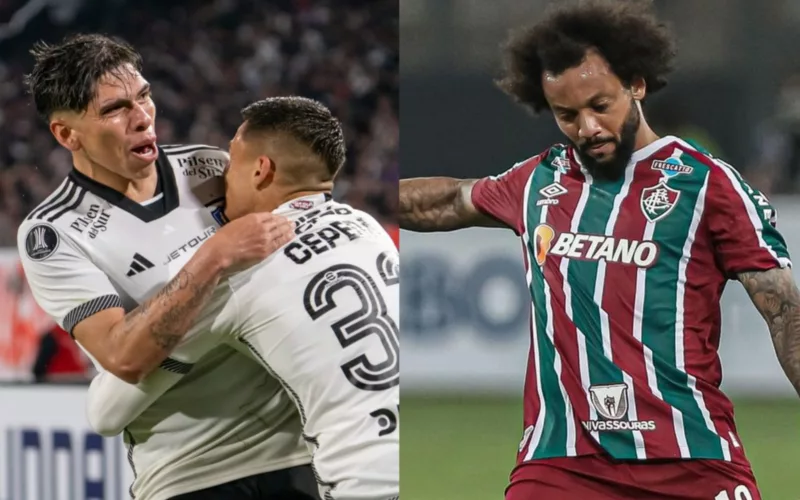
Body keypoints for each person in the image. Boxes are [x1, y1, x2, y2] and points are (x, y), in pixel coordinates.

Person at [398, 1, 799, 499]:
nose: (586, 127)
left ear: (637, 84)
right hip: (561, 462)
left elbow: (785, 314)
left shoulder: (709, 186)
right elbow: (445, 201)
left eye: (599, 106)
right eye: (567, 115)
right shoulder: (539, 181)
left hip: (690, 456)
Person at [17, 34, 318, 500]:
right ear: (66, 134)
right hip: (189, 472)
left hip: (296, 449)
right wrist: (214, 256)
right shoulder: (55, 234)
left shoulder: (211, 169)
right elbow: (124, 357)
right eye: (115, 109)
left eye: (144, 96)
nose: (142, 118)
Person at [85, 97, 400, 500]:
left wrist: (203, 271)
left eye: (231, 163)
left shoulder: (235, 269)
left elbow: (105, 413)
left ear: (261, 170)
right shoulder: (368, 229)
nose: (221, 181)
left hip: (362, 483)